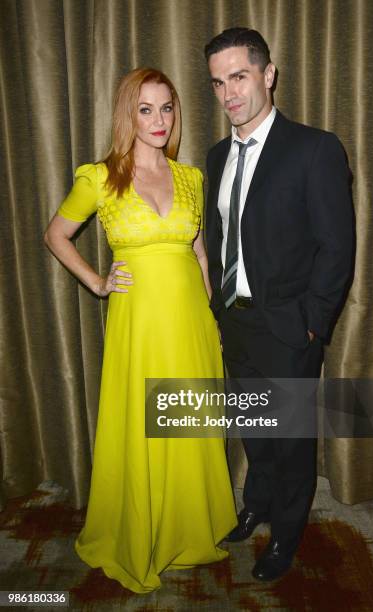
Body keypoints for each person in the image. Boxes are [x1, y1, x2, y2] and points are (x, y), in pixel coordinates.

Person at [44, 67, 237, 594]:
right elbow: (56, 234)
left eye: (167, 107)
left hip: (191, 319)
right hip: (139, 322)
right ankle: (139, 533)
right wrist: (98, 282)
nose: (158, 120)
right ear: (128, 114)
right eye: (145, 109)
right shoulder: (99, 177)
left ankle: (188, 528)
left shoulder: (191, 177)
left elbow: (199, 252)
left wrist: (212, 314)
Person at [204, 28, 354, 582]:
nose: (229, 94)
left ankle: (286, 536)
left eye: (239, 77)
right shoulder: (218, 156)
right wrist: (219, 310)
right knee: (256, 430)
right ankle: (258, 505)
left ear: (268, 75)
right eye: (219, 82)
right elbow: (221, 239)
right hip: (236, 324)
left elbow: (338, 247)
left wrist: (313, 323)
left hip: (292, 330)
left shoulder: (316, 147)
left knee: (291, 443)